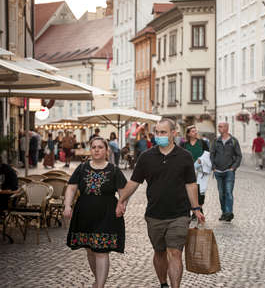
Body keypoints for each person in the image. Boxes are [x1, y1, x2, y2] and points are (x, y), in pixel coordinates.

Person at [115, 118, 205, 288]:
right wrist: (121, 200)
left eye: (163, 132)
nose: (159, 135)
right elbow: (134, 182)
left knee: (175, 252)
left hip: (179, 214)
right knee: (160, 252)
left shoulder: (184, 156)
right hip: (154, 215)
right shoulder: (146, 157)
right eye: (157, 132)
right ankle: (163, 283)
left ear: (173, 133)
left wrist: (196, 208)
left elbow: (191, 184)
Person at [63, 137, 127, 288]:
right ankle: (98, 280)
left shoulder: (114, 170)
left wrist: (121, 205)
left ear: (106, 150)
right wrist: (67, 206)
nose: (97, 150)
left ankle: (100, 285)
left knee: (101, 250)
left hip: (107, 214)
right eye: (94, 147)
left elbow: (123, 192)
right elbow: (72, 187)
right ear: (90, 150)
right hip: (84, 214)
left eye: (100, 147)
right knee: (90, 249)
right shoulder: (82, 168)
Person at [210, 122, 242, 222]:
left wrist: (233, 168)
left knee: (228, 192)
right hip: (218, 172)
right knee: (221, 193)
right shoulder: (216, 141)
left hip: (229, 171)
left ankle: (229, 213)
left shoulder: (233, 141)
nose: (219, 128)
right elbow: (212, 154)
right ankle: (224, 212)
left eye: (221, 126)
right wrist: (214, 167)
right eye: (218, 126)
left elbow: (239, 155)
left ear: (227, 128)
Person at [181, 125, 210, 217]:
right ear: (188, 134)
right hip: (188, 171)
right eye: (193, 131)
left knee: (200, 192)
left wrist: (202, 160)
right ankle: (191, 210)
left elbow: (208, 155)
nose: (195, 132)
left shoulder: (202, 143)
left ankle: (199, 209)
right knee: (189, 190)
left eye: (196, 131)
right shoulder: (184, 145)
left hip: (200, 171)